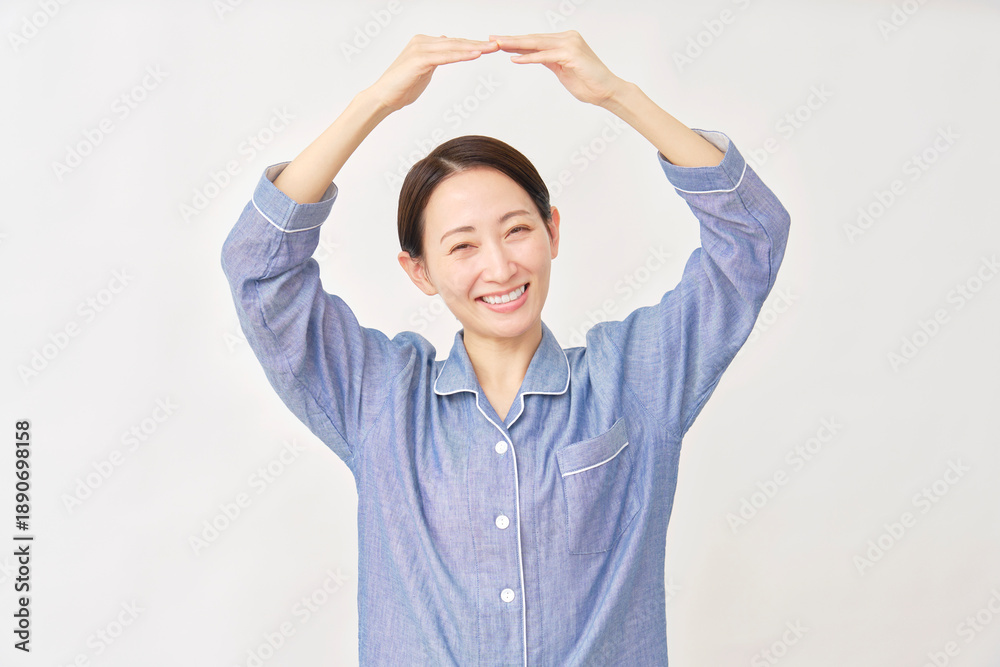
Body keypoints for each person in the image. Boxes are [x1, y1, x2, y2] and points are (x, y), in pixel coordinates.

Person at [221, 30, 790, 666]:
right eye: (462, 245)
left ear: (551, 232)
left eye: (516, 230)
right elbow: (258, 269)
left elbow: (753, 237)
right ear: (420, 272)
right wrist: (374, 102)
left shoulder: (633, 381)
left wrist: (617, 95)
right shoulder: (379, 400)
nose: (499, 266)